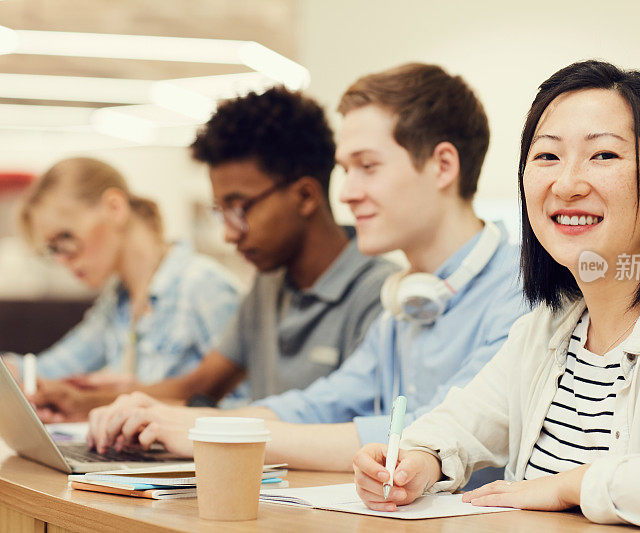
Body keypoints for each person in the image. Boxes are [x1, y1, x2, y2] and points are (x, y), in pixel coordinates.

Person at [352, 60, 640, 533]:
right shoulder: (544, 331)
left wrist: (567, 486)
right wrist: (415, 462)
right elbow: (455, 426)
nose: (567, 184)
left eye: (603, 156)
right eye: (547, 157)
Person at [84, 63, 528, 476]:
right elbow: (318, 404)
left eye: (367, 167)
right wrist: (175, 418)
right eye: (345, 170)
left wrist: (206, 432)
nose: (348, 193)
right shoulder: (406, 301)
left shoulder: (523, 292)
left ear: (442, 166)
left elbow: (429, 435)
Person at [26, 87, 396, 419]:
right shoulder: (268, 285)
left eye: (240, 208)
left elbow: (355, 427)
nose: (229, 234)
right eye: (220, 211)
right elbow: (199, 386)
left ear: (305, 196)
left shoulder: (379, 296)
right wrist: (84, 403)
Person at [3, 157, 241, 419]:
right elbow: (44, 370)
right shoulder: (118, 301)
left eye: (65, 238)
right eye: (52, 250)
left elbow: (246, 411)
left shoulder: (204, 286)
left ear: (115, 208)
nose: (62, 259)